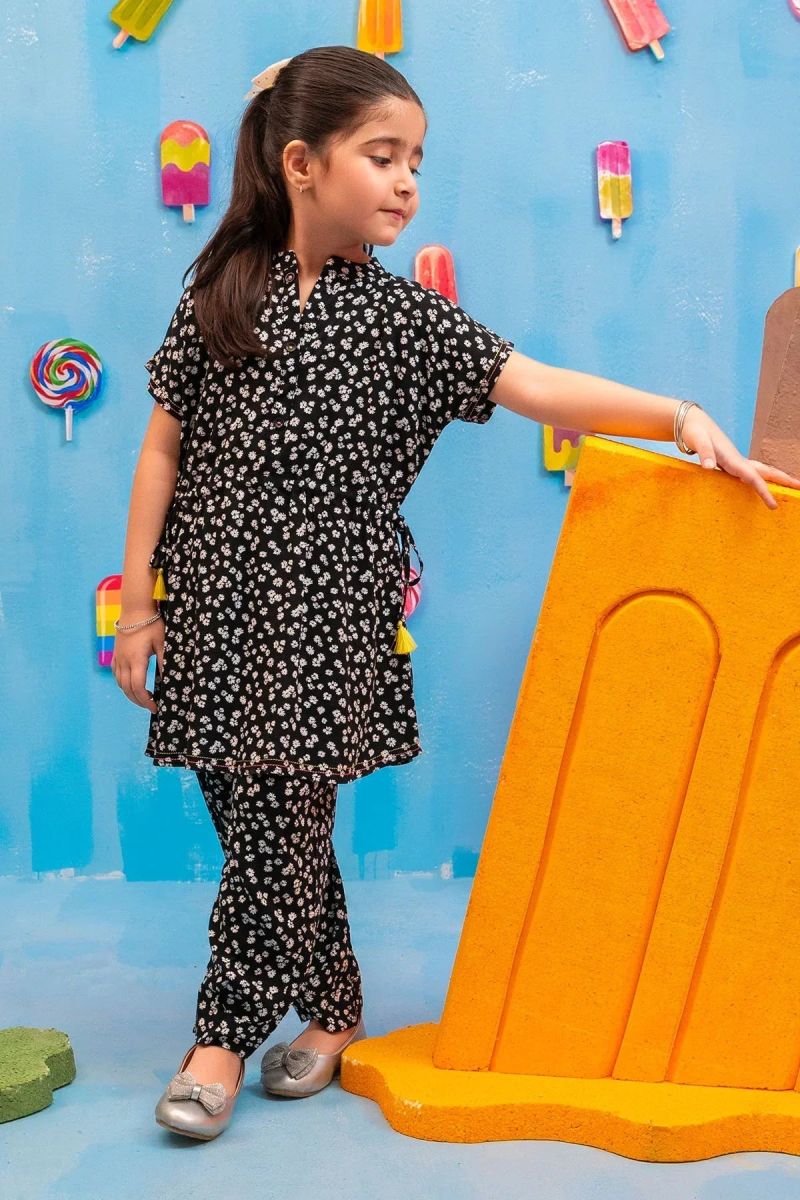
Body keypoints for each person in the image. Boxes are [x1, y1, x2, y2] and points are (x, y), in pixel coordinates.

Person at [111, 45, 800, 1139]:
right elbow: (163, 448)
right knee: (263, 829)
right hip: (212, 609)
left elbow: (537, 385)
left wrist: (679, 418)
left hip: (325, 622)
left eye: (416, 162)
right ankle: (335, 1009)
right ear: (301, 163)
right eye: (382, 156)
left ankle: (218, 1042)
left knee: (276, 830)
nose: (407, 183)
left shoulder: (406, 322)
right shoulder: (220, 292)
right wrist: (143, 606)